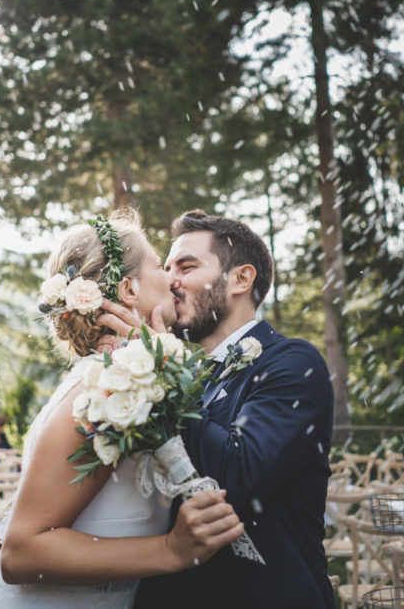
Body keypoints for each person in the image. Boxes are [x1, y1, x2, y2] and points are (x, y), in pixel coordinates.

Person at [0, 209, 244, 609]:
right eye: (159, 265)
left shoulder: (132, 379)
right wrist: (171, 549)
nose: (173, 279)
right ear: (128, 290)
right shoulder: (104, 387)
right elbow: (20, 554)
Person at [104, 210, 335, 609]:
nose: (168, 281)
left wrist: (161, 368)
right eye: (167, 267)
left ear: (241, 280)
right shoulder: (185, 372)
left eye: (187, 266)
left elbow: (235, 476)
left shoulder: (294, 363)